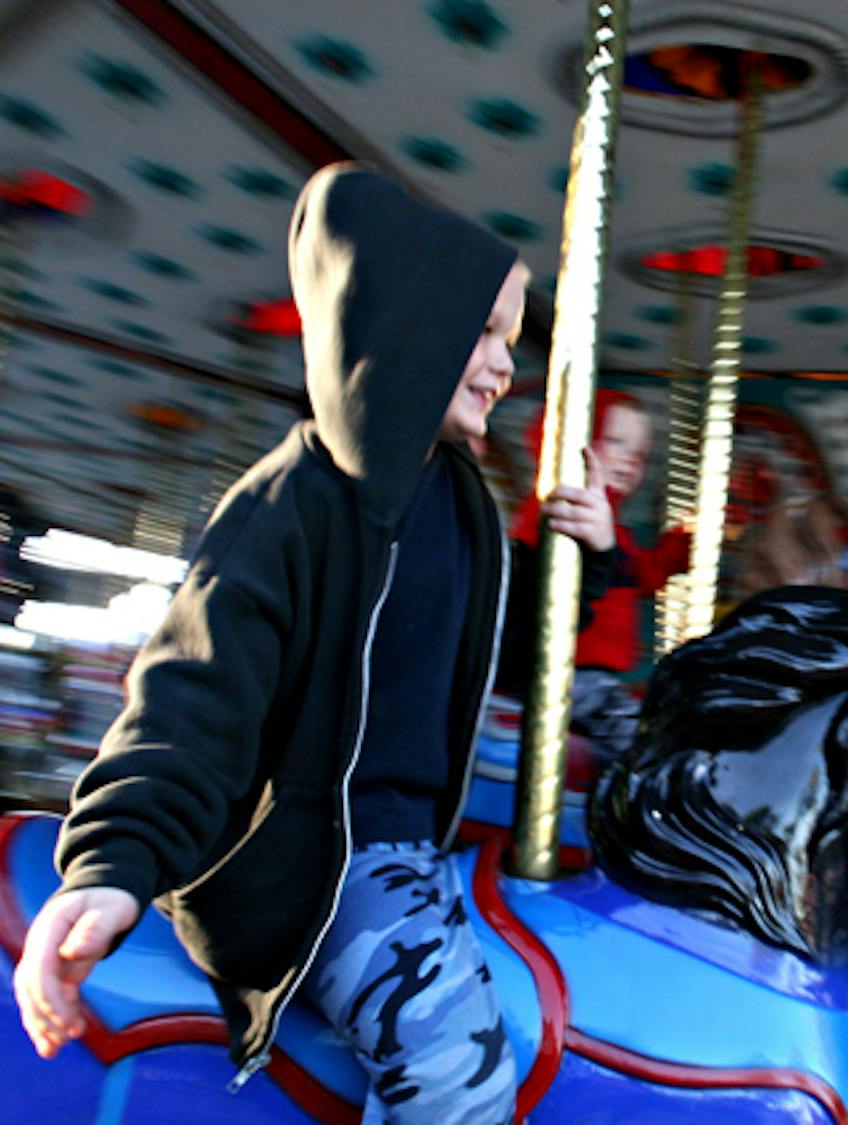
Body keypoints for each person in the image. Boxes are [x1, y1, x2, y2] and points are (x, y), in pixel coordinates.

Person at [11, 164, 618, 1123]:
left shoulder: (461, 500)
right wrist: (114, 862)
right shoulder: (293, 501)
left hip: (421, 851)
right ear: (410, 323)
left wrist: (588, 562)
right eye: (485, 334)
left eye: (511, 339)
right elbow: (191, 697)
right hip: (327, 864)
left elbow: (490, 658)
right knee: (463, 1083)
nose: (506, 365)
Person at [512, 389, 690, 761]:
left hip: (599, 676)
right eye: (616, 443)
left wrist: (684, 544)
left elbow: (640, 575)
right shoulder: (560, 505)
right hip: (570, 671)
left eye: (640, 455)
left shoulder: (616, 532)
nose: (630, 461)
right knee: (644, 750)